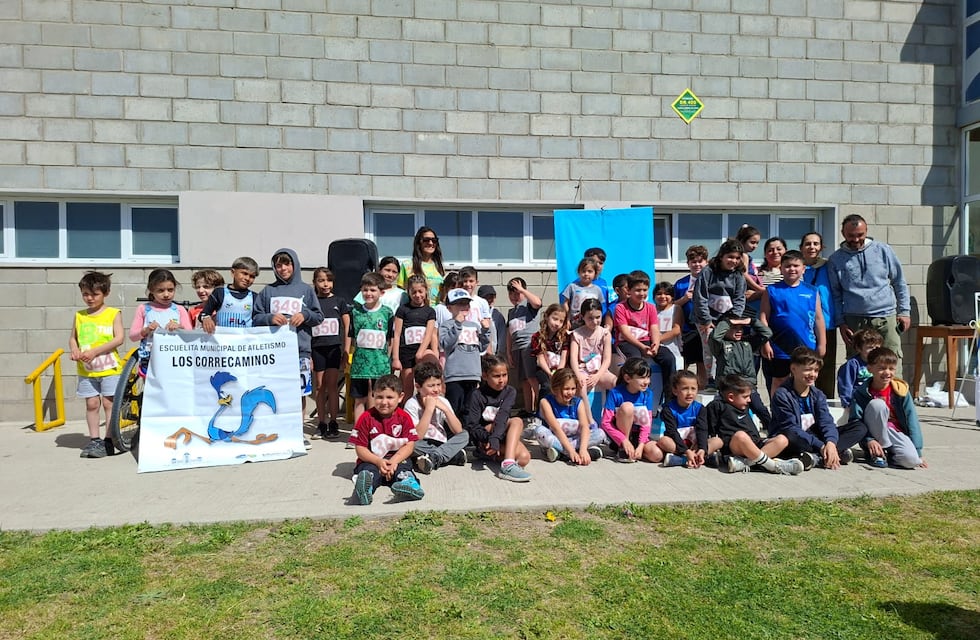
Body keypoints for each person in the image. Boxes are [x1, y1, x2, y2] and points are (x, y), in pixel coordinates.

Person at [253, 248, 325, 449]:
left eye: (287, 263)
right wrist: (268, 318)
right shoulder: (268, 291)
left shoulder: (306, 290)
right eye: (278, 265)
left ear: (295, 265)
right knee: (276, 392)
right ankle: (276, 431)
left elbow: (318, 316)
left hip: (300, 350)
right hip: (274, 352)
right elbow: (255, 317)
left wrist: (305, 316)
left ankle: (297, 432)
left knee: (299, 393)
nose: (283, 268)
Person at [827, 214, 911, 371]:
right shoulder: (835, 259)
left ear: (866, 231)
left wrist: (904, 311)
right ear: (843, 233)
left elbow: (899, 282)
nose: (856, 239)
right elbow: (836, 294)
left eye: (860, 235)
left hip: (886, 318)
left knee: (890, 364)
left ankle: (893, 396)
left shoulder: (883, 250)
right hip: (854, 320)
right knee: (858, 368)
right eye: (851, 236)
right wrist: (841, 322)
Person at [768, 347, 863, 471]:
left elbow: (826, 421)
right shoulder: (782, 394)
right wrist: (821, 445)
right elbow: (791, 428)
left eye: (816, 370)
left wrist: (830, 443)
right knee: (790, 434)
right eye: (808, 370)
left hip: (814, 437)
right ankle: (832, 454)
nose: (812, 374)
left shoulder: (817, 394)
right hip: (795, 440)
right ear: (793, 369)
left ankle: (819, 457)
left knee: (859, 427)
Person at [695, 374, 804, 475]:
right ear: (731, 397)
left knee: (782, 439)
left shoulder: (744, 406)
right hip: (734, 445)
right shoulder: (717, 406)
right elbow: (709, 430)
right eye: (745, 397)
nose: (749, 400)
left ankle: (745, 463)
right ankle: (773, 466)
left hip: (755, 444)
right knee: (741, 435)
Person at [70, 271, 124, 459]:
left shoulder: (113, 314)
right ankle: (95, 440)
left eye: (94, 294)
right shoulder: (80, 316)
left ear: (105, 293)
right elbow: (73, 338)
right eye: (85, 294)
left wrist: (95, 351)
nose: (90, 298)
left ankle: (109, 441)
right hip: (87, 370)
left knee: (109, 403)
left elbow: (119, 339)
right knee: (92, 404)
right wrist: (75, 350)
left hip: (110, 369)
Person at [348, 374, 424, 505]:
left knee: (404, 469)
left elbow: (409, 445)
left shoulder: (404, 417)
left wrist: (394, 461)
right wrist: (378, 462)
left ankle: (409, 485)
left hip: (398, 459)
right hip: (372, 459)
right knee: (368, 470)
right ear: (373, 395)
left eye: (389, 397)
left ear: (400, 397)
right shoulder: (366, 418)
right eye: (379, 397)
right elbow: (360, 448)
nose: (384, 402)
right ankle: (366, 488)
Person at [846, 347, 927, 469]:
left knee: (911, 461)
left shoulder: (901, 390)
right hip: (873, 433)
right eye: (882, 368)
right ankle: (877, 453)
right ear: (870, 369)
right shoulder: (861, 393)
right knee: (877, 404)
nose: (887, 373)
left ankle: (890, 455)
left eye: (891, 369)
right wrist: (869, 440)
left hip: (893, 431)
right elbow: (855, 420)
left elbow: (912, 420)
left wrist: (918, 451)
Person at [759, 249, 825, 395]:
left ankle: (804, 412)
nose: (792, 269)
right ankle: (777, 413)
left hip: (806, 345)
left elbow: (819, 319)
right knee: (778, 380)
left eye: (796, 266)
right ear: (781, 268)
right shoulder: (771, 290)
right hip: (779, 346)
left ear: (803, 268)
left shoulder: (812, 291)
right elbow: (763, 317)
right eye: (787, 266)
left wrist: (822, 344)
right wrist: (765, 342)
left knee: (806, 379)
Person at [466, 354, 533, 482]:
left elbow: (503, 416)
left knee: (524, 458)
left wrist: (496, 438)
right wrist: (490, 439)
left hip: (500, 435)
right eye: (496, 376)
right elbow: (472, 426)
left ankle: (491, 456)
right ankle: (507, 465)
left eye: (504, 375)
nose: (501, 380)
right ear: (485, 376)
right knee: (517, 421)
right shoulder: (477, 395)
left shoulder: (510, 392)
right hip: (485, 437)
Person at [693, 239, 747, 388]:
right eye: (730, 257)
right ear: (722, 256)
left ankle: (725, 378)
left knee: (727, 348)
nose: (733, 261)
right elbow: (700, 296)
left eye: (737, 258)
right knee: (710, 346)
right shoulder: (708, 271)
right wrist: (705, 320)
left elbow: (739, 298)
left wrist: (732, 320)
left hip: (727, 318)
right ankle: (711, 379)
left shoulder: (738, 275)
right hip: (707, 318)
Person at [614, 270, 675, 402]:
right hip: (627, 343)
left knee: (669, 358)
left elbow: (654, 328)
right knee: (635, 362)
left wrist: (656, 345)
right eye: (638, 290)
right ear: (628, 290)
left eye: (645, 290)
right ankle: (631, 396)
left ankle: (669, 398)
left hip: (647, 341)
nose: (642, 293)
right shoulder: (620, 308)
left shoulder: (651, 307)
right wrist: (642, 347)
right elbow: (624, 332)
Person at [709, 314, 773, 431]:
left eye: (740, 328)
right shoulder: (720, 345)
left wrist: (752, 321)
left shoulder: (748, 343)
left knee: (760, 409)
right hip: (729, 387)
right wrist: (728, 322)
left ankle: (773, 431)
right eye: (734, 328)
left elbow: (767, 333)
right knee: (725, 412)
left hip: (747, 385)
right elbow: (715, 337)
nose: (738, 331)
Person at [345, 272, 394, 423]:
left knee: (377, 397)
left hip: (380, 364)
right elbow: (351, 336)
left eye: (373, 290)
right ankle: (358, 431)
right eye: (365, 290)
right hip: (360, 365)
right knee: (359, 399)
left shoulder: (387, 313)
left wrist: (389, 358)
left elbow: (390, 339)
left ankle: (375, 429)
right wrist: (347, 355)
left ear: (381, 292)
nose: (369, 293)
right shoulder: (355, 312)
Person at [403, 361, 468, 473]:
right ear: (418, 387)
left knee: (465, 435)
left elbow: (457, 430)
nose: (436, 389)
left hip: (440, 442)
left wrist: (446, 410)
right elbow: (417, 436)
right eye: (431, 386)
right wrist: (428, 409)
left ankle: (433, 458)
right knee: (410, 444)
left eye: (438, 384)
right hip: (421, 444)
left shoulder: (442, 401)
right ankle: (451, 455)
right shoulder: (411, 404)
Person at [534, 368, 605, 465]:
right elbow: (555, 428)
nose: (570, 392)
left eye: (573, 389)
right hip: (556, 437)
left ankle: (562, 453)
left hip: (575, 438)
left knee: (600, 433)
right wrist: (571, 451)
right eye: (566, 389)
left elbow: (584, 426)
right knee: (539, 431)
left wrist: (583, 449)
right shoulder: (545, 402)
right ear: (555, 389)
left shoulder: (578, 403)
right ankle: (576, 453)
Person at [311, 267, 349, 439]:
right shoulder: (311, 302)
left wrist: (346, 350)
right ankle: (321, 422)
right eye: (321, 280)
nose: (325, 284)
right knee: (319, 386)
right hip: (317, 348)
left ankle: (334, 422)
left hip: (334, 349)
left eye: (328, 280)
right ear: (315, 283)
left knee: (332, 385)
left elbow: (348, 328)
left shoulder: (340, 302)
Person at [440, 288, 490, 416]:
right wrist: (457, 324)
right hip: (454, 376)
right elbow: (446, 343)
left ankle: (468, 434)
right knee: (454, 409)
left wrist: (485, 331)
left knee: (469, 410)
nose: (464, 306)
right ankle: (453, 434)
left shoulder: (475, 325)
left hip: (472, 374)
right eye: (460, 303)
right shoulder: (446, 325)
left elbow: (482, 347)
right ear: (449, 307)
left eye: (466, 303)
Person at [600, 357, 661, 463]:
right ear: (628, 378)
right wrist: (623, 440)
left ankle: (635, 452)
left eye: (648, 377)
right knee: (627, 407)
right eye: (642, 378)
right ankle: (623, 450)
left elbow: (647, 422)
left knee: (657, 455)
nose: (646, 382)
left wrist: (641, 445)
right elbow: (606, 422)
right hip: (620, 438)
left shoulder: (647, 394)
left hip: (639, 436)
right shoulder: (615, 393)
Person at [800, 231, 838, 398]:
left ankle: (825, 402)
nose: (812, 247)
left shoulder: (828, 266)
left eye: (815, 244)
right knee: (803, 365)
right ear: (801, 247)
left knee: (826, 367)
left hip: (826, 323)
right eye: (808, 244)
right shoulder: (796, 266)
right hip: (802, 324)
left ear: (821, 247)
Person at [129, 268, 193, 361]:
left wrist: (179, 327)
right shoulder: (143, 309)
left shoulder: (179, 309)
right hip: (150, 359)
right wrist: (146, 330)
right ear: (151, 290)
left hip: (175, 358)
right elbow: (133, 336)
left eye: (170, 290)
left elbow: (190, 334)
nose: (166, 294)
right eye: (160, 290)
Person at [392, 274, 438, 398]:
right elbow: (396, 334)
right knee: (407, 386)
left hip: (422, 352)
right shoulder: (403, 310)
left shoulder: (430, 311)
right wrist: (395, 358)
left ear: (426, 291)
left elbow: (429, 334)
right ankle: (406, 413)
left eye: (420, 291)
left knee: (425, 385)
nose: (417, 295)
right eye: (414, 292)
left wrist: (421, 352)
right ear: (409, 292)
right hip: (406, 352)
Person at [657, 371, 711, 468]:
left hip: (695, 444)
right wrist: (686, 451)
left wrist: (702, 449)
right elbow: (672, 432)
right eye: (685, 388)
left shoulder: (700, 408)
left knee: (717, 441)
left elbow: (702, 430)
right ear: (675, 391)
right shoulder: (668, 409)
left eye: (693, 389)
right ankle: (688, 458)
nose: (690, 393)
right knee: (663, 441)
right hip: (676, 444)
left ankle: (695, 456)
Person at [673, 245, 710, 388]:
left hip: (704, 327)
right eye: (693, 261)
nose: (697, 264)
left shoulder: (711, 281)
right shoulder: (680, 284)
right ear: (688, 264)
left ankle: (703, 389)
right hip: (686, 329)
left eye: (700, 261)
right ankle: (679, 389)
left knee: (703, 361)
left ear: (706, 262)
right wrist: (685, 299)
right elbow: (671, 305)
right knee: (684, 361)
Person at [505, 277, 543, 413]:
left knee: (532, 377)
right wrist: (509, 352)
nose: (514, 296)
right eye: (511, 293)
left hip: (529, 346)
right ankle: (529, 410)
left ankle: (540, 408)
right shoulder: (511, 312)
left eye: (517, 293)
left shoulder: (528, 304)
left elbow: (538, 302)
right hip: (517, 348)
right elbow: (509, 333)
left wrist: (523, 290)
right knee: (524, 381)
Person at [568, 298, 616, 404]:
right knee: (582, 386)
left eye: (598, 317)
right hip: (582, 371)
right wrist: (578, 375)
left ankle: (612, 414)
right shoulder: (576, 334)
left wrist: (597, 375)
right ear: (582, 317)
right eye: (590, 318)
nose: (594, 321)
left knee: (616, 382)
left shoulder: (605, 333)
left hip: (600, 371)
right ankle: (588, 419)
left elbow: (607, 359)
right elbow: (573, 359)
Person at [200, 257, 259, 332]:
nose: (247, 278)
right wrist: (206, 318)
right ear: (233, 272)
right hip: (222, 341)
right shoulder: (219, 292)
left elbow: (259, 320)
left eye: (252, 276)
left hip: (244, 342)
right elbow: (204, 314)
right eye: (244, 273)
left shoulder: (254, 297)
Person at [397, 226, 445, 306]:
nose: (430, 243)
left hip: (435, 313)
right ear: (419, 243)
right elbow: (400, 293)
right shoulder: (407, 265)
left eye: (434, 240)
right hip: (414, 313)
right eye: (426, 240)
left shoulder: (439, 266)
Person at [837, 328, 883, 410]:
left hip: (876, 399)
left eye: (877, 348)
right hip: (857, 401)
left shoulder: (880, 364)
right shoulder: (853, 364)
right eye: (870, 348)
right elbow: (846, 385)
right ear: (859, 348)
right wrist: (847, 403)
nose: (874, 351)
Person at [530, 303, 570, 390]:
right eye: (555, 319)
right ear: (547, 316)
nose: (557, 324)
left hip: (560, 369)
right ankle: (542, 403)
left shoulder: (564, 337)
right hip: (544, 369)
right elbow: (540, 360)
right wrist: (549, 373)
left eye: (561, 321)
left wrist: (557, 373)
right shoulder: (537, 337)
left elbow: (564, 358)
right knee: (547, 386)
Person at [458, 266, 496, 354]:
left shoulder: (482, 302)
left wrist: (488, 349)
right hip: (460, 344)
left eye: (471, 281)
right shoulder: (456, 301)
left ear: (476, 282)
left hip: (477, 346)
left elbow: (487, 326)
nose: (468, 284)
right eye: (465, 281)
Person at [560, 256, 602, 327]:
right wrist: (567, 319)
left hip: (591, 323)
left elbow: (600, 307)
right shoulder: (572, 286)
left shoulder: (597, 289)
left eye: (590, 271)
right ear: (579, 272)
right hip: (575, 323)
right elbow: (565, 303)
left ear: (595, 274)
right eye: (583, 271)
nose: (586, 274)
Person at [652, 282, 684, 368]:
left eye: (667, 294)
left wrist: (657, 340)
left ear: (672, 296)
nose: (662, 296)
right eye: (659, 294)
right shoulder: (650, 309)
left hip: (672, 348)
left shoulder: (676, 308)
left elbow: (676, 330)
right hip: (653, 349)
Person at [736, 225, 765, 309]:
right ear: (742, 240)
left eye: (757, 243)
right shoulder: (744, 256)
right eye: (752, 242)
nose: (755, 246)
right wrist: (759, 289)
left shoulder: (747, 257)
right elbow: (744, 275)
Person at [478, 284, 507, 357]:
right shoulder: (475, 312)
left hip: (493, 355)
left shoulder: (497, 315)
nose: (490, 300)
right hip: (477, 354)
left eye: (492, 297)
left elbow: (502, 337)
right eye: (486, 297)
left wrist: (500, 355)